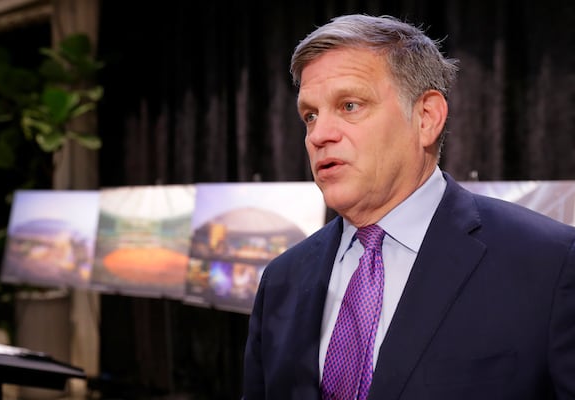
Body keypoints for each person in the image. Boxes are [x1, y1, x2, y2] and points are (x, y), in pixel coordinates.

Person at [242, 13, 575, 400]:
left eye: (349, 105)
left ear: (426, 117)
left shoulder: (551, 264)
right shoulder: (281, 280)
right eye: (310, 115)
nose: (319, 135)